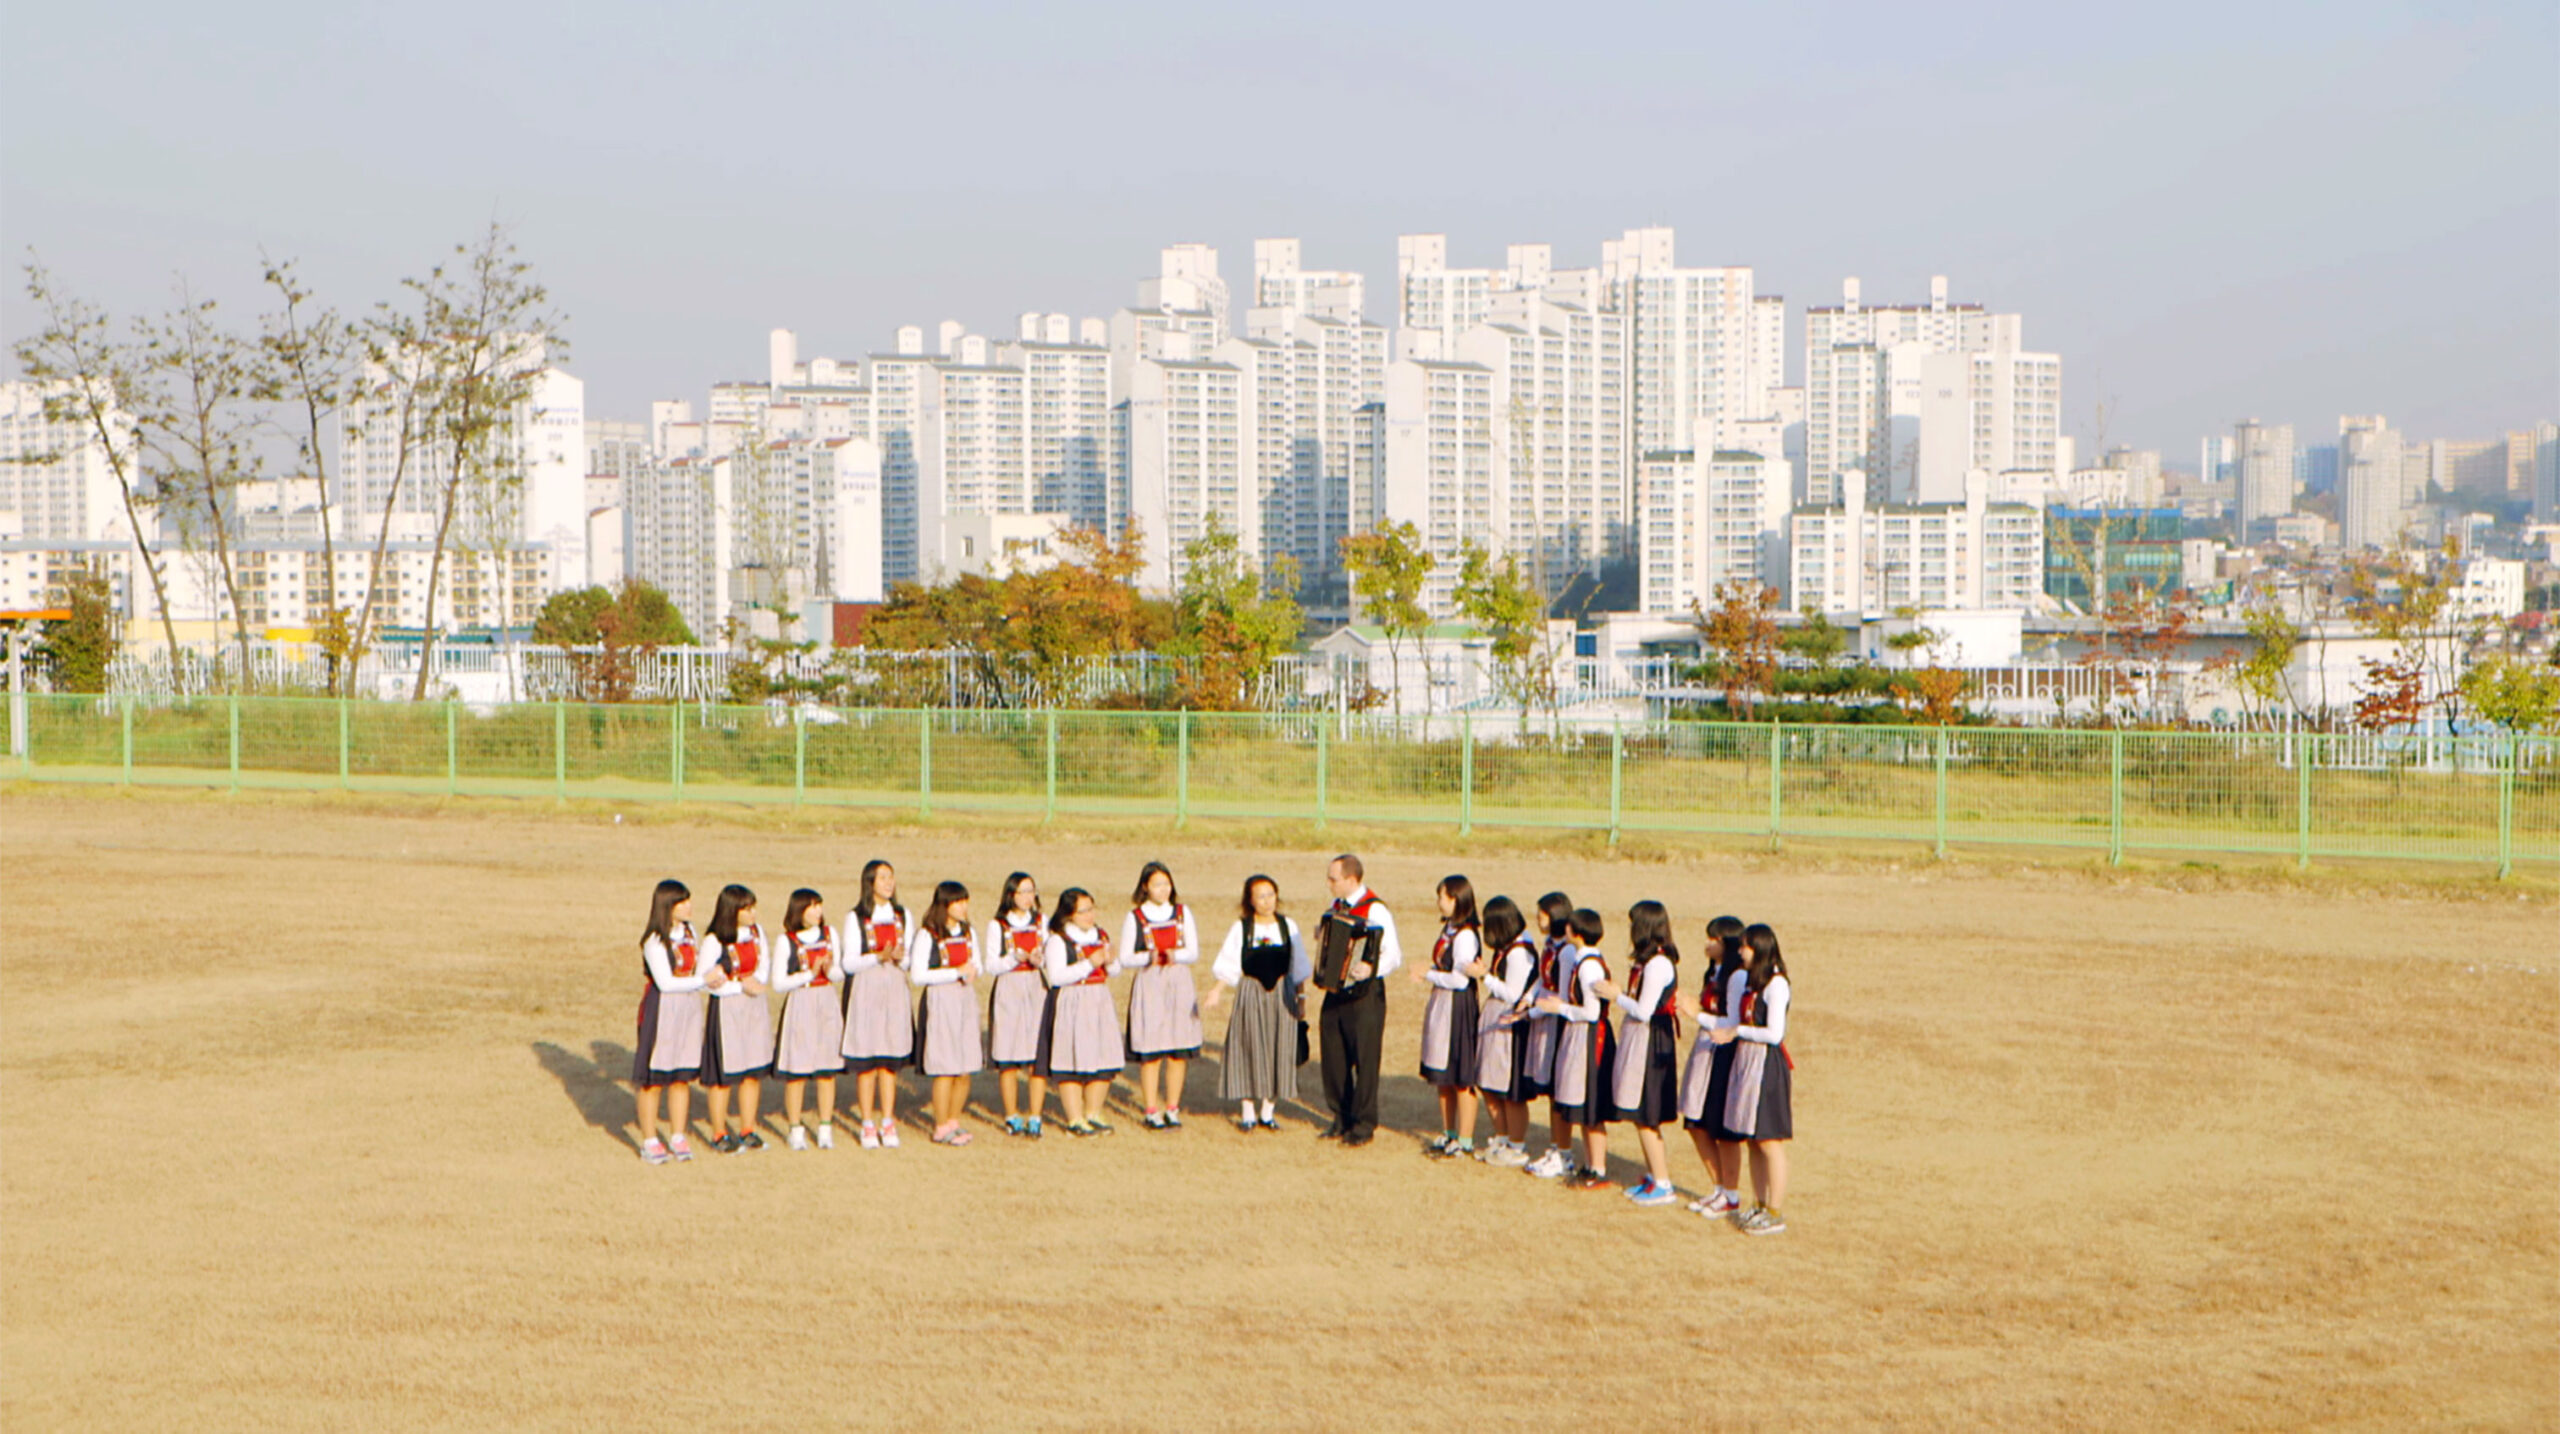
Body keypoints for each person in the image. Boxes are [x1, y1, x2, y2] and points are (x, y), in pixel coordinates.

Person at [1707, 922, 1793, 1235]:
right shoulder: (1753, 982)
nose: (1741, 952)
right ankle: (1759, 1203)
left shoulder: (1776, 985)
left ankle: (1775, 1210)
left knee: (1769, 1141)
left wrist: (1737, 1031)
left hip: (1766, 1066)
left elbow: (1774, 1033)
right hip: (1748, 1062)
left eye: (1746, 946)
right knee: (1754, 1140)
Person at [1311, 854, 1402, 1147]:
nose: (1328, 884)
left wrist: (1370, 968)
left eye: (1333, 879)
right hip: (1337, 992)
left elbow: (1393, 954)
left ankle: (1363, 1124)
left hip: (1365, 995)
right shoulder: (1336, 907)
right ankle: (1341, 1117)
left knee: (1365, 1058)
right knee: (1334, 1056)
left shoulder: (1375, 909)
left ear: (1351, 879)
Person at [1598, 900, 1682, 1206]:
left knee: (1647, 1113)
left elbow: (1645, 1010)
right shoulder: (1649, 962)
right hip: (1641, 1037)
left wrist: (1617, 996)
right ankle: (1653, 1175)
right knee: (1639, 1114)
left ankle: (1662, 1183)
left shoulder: (1658, 964)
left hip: (1651, 1040)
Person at [1210, 874, 1308, 1131]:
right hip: (1251, 992)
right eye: (1261, 896)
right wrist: (1217, 991)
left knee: (1279, 1048)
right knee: (1247, 1047)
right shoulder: (1242, 928)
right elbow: (1230, 962)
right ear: (1250, 901)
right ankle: (1247, 1112)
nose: (1267, 901)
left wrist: (1301, 998)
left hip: (1282, 993)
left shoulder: (1287, 926)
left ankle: (1268, 1111)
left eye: (1270, 895)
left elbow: (1298, 966)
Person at [1534, 907, 1615, 1190]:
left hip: (1590, 1037)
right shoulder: (1583, 960)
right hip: (1580, 1034)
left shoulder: (1589, 966)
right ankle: (1590, 1165)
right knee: (1581, 1105)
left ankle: (1598, 1169)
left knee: (1590, 1106)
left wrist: (1561, 1008)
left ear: (1576, 932)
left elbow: (1592, 1013)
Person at [1117, 862, 1202, 1130]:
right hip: (1150, 981)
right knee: (1151, 1050)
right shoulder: (1135, 917)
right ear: (1145, 887)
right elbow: (1125, 957)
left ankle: (1172, 1108)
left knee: (1178, 1049)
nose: (1163, 889)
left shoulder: (1182, 913)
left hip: (1178, 980)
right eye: (1157, 884)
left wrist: (1175, 955)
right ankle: (1151, 1108)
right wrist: (1148, 957)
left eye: (1166, 883)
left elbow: (1193, 952)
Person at [632, 878, 708, 1165]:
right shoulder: (654, 941)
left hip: (688, 1007)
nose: (688, 907)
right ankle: (650, 1139)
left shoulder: (690, 932)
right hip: (662, 1008)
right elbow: (665, 983)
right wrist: (703, 980)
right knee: (653, 1078)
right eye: (682, 902)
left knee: (681, 1075)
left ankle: (678, 1135)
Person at [840, 859, 913, 1150]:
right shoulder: (856, 917)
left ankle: (888, 1119)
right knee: (868, 1059)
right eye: (882, 878)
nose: (888, 883)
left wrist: (899, 958)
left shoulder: (902, 915)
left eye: (891, 877)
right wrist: (877, 957)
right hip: (867, 988)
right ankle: (867, 1122)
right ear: (869, 883)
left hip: (894, 986)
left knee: (889, 1058)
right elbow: (848, 962)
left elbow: (910, 959)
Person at [1678, 915, 1748, 1216]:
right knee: (1696, 1121)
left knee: (1721, 1126)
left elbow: (1732, 1021)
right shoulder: (1715, 972)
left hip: (1724, 1052)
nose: (1707, 944)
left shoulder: (1737, 977)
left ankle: (1730, 1193)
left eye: (1714, 939)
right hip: (1706, 1048)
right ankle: (1720, 1188)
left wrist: (1696, 1014)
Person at [1038, 888, 1123, 1137]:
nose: (1089, 916)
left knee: (1104, 1055)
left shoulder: (1101, 935)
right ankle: (1074, 1118)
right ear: (1069, 914)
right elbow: (1056, 977)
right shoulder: (1059, 940)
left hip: (1099, 999)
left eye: (1091, 909)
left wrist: (1111, 961)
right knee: (1071, 1057)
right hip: (1073, 1000)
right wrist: (1089, 963)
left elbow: (1114, 971)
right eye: (1083, 911)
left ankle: (1093, 1112)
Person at [907, 879, 985, 1147]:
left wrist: (972, 972)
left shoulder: (968, 931)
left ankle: (954, 1120)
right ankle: (940, 1125)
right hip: (941, 1000)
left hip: (965, 998)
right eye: (957, 902)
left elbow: (978, 963)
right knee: (945, 1068)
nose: (963, 907)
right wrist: (954, 972)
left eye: (965, 902)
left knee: (965, 1066)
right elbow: (918, 975)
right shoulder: (927, 934)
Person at [699, 884, 775, 1153]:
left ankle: (747, 1129)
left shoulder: (757, 933)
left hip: (753, 1006)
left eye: (753, 908)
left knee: (752, 1071)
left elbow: (764, 964)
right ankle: (719, 1132)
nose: (753, 914)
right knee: (724, 1075)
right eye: (747, 909)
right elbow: (704, 981)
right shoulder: (714, 940)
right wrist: (739, 986)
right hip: (727, 1008)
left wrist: (756, 981)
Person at [1416, 875, 1486, 1159]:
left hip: (1457, 1006)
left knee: (1460, 1073)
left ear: (1457, 899)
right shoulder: (1450, 928)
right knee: (1442, 1074)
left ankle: (1465, 1139)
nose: (1439, 902)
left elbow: (1459, 980)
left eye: (1442, 897)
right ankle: (1449, 1132)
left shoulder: (1466, 935)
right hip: (1442, 1002)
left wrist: (1428, 974)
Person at [769, 888, 845, 1150]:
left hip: (827, 1001)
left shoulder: (830, 934)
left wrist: (829, 970)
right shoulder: (787, 941)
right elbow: (778, 983)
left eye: (819, 905)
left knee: (827, 1069)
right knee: (797, 1070)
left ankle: (825, 1127)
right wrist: (809, 974)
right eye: (811, 907)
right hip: (801, 1001)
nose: (817, 911)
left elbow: (839, 973)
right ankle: (795, 1128)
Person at [984, 872, 1051, 1138]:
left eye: (1031, 891)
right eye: (1022, 892)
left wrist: (1039, 959)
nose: (1027, 897)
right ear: (1011, 894)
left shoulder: (1041, 921)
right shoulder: (998, 925)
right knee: (1008, 1056)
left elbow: (1051, 956)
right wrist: (1014, 958)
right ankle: (1012, 1115)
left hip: (1035, 986)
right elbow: (991, 965)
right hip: (1009, 988)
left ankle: (1035, 1115)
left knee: (1037, 1055)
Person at [1471, 895, 1536, 1167]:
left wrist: (1484, 976)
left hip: (1510, 1023)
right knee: (1488, 1081)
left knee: (1509, 1089)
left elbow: (1512, 993)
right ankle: (1501, 1136)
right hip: (1495, 1019)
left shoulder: (1519, 952)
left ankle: (1516, 1144)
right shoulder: (1510, 947)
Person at [1518, 891, 1578, 1179]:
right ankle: (1556, 1147)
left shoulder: (1566, 951)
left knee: (1557, 1089)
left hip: (1556, 1022)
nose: (1537, 919)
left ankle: (1563, 1152)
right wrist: (1528, 998)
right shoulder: (1550, 945)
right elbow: (1544, 979)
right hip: (1543, 1015)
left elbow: (1562, 994)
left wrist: (1532, 1012)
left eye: (1541, 915)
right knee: (1551, 1091)